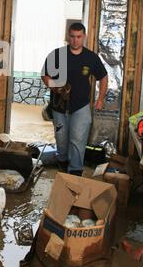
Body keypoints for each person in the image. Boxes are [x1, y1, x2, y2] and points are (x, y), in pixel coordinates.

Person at [41, 23, 108, 176]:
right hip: (59, 107)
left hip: (81, 106)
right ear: (68, 37)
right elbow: (45, 74)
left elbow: (103, 77)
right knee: (62, 140)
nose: (75, 40)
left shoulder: (91, 58)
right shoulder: (57, 55)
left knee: (77, 140)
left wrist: (100, 99)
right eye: (72, 36)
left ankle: (75, 172)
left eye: (78, 37)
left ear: (84, 37)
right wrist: (54, 87)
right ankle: (63, 163)